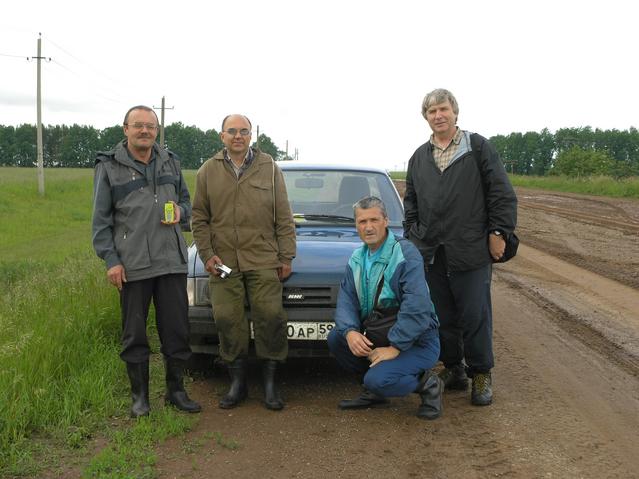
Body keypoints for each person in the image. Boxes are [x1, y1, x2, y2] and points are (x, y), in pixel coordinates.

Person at [403, 88, 518, 406]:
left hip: (470, 250)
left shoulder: (477, 147)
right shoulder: (419, 157)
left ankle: (481, 373)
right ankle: (454, 369)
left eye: (443, 109)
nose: (438, 115)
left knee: (475, 314)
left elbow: (501, 192)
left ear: (455, 112)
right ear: (425, 118)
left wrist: (498, 231)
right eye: (431, 112)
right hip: (432, 252)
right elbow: (410, 202)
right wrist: (414, 238)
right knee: (442, 314)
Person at [92, 105, 201, 418]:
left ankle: (176, 391)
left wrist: (182, 213)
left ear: (157, 131)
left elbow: (186, 203)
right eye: (138, 125)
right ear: (125, 129)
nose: (144, 131)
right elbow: (100, 222)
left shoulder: (171, 161)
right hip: (133, 264)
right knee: (134, 333)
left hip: (171, 261)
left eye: (150, 126)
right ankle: (139, 398)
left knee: (177, 330)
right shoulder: (109, 167)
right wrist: (111, 261)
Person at [191, 114, 296, 411]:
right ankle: (237, 384)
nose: (238, 136)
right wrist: (207, 254)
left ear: (252, 136)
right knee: (226, 318)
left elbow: (284, 215)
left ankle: (270, 384)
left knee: (270, 316)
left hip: (263, 257)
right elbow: (199, 218)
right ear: (222, 136)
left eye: (244, 131)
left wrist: (286, 255)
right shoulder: (207, 171)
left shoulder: (269, 168)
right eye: (232, 131)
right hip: (223, 260)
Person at [327, 196, 443, 420]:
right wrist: (350, 331)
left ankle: (428, 384)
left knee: (378, 379)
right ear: (356, 225)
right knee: (337, 338)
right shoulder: (357, 258)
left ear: (386, 220)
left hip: (418, 341)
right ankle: (375, 392)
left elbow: (417, 307)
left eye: (374, 220)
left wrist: (396, 347)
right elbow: (346, 299)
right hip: (382, 333)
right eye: (362, 222)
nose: (368, 227)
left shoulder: (405, 254)